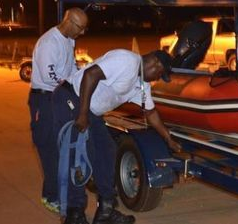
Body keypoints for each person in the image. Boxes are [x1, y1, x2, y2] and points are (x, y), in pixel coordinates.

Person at [52, 49, 181, 224]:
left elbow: (151, 113)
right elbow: (90, 75)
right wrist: (82, 114)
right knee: (79, 156)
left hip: (91, 111)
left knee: (107, 151)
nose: (157, 78)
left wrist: (168, 139)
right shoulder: (126, 60)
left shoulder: (142, 84)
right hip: (73, 98)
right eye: (159, 74)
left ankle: (105, 210)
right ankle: (74, 213)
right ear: (155, 63)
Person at [28, 7, 89, 214]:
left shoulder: (69, 40)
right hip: (44, 99)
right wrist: (67, 88)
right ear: (70, 22)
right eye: (80, 28)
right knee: (48, 147)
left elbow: (71, 67)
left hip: (58, 97)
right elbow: (49, 75)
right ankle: (50, 196)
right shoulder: (49, 42)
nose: (82, 33)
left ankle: (61, 192)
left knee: (62, 146)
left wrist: (79, 84)